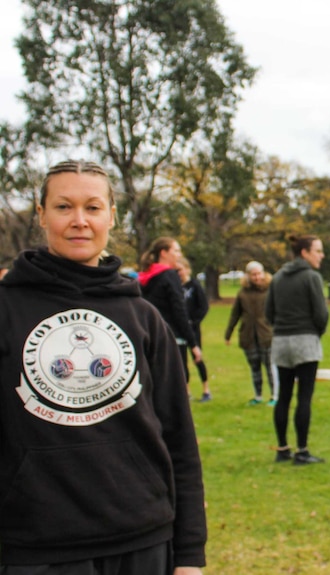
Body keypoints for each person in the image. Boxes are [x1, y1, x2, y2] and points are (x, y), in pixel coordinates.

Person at [0, 160, 206, 573]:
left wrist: (189, 555)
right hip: (36, 548)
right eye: (63, 207)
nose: (79, 221)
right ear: (41, 214)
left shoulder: (143, 317)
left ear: (112, 215)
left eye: (93, 207)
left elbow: (179, 437)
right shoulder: (6, 309)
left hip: (143, 538)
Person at [266, 235, 329, 465]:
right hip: (305, 341)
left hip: (281, 342)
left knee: (283, 396)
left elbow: (268, 312)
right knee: (304, 397)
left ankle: (282, 448)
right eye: (318, 250)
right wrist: (315, 332)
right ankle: (302, 451)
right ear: (304, 252)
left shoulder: (277, 277)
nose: (321, 255)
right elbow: (321, 313)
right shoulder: (312, 277)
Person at [138, 237, 203, 395]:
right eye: (176, 250)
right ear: (164, 253)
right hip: (171, 338)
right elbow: (179, 311)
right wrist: (193, 343)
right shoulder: (169, 276)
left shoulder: (146, 277)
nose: (179, 255)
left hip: (149, 336)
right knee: (175, 387)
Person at [225, 261, 277, 406]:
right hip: (248, 335)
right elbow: (235, 314)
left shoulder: (271, 290)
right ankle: (258, 396)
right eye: (253, 274)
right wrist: (228, 333)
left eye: (259, 273)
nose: (256, 277)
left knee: (270, 366)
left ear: (263, 273)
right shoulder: (242, 293)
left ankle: (274, 396)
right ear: (248, 276)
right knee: (255, 367)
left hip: (267, 335)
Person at [176, 256, 211, 402]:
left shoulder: (195, 286)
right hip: (179, 330)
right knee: (181, 362)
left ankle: (206, 390)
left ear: (187, 269)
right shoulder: (175, 286)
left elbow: (203, 307)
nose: (179, 273)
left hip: (193, 330)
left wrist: (194, 321)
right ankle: (187, 391)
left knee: (198, 359)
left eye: (180, 270)